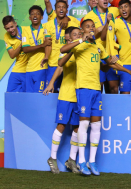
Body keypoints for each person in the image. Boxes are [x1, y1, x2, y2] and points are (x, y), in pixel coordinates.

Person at [60, 19, 131, 176]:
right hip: (83, 89)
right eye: (87, 27)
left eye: (92, 27)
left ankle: (92, 161)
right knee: (84, 124)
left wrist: (127, 71)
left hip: (97, 90)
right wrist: (80, 39)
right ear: (82, 31)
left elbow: (109, 62)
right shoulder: (79, 44)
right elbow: (63, 49)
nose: (91, 29)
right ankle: (81, 160)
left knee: (96, 126)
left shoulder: (98, 46)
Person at [43, 27, 82, 174]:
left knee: (78, 128)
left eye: (80, 34)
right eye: (75, 35)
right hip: (66, 95)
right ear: (70, 39)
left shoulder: (84, 50)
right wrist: (51, 83)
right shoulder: (65, 50)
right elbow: (59, 66)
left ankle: (71, 160)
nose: (78, 36)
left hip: (79, 95)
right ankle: (52, 158)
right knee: (62, 125)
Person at [82, 0, 120, 93]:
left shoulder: (113, 10)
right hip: (98, 55)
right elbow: (86, 37)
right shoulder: (89, 17)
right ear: (96, 0)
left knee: (114, 88)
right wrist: (96, 32)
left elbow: (128, 11)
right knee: (99, 87)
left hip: (112, 54)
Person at [45, 0, 80, 92]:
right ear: (55, 10)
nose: (61, 9)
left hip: (70, 64)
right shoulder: (48, 25)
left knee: (70, 92)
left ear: (67, 10)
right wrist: (46, 57)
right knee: (51, 92)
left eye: (63, 7)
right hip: (53, 64)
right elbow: (48, 44)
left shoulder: (74, 25)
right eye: (59, 7)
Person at [22, 6, 52, 93]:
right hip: (29, 70)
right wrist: (41, 45)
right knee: (30, 98)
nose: (35, 15)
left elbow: (48, 44)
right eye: (32, 14)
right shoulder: (26, 30)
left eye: (38, 13)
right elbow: (25, 49)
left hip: (41, 68)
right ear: (29, 18)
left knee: (39, 96)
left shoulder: (46, 28)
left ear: (42, 17)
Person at [3, 16, 28, 92]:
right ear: (5, 28)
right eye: (7, 28)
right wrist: (21, 45)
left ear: (15, 24)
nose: (10, 30)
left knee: (27, 95)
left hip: (30, 69)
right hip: (18, 69)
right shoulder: (6, 36)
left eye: (12, 27)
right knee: (10, 95)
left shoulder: (27, 30)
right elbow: (12, 55)